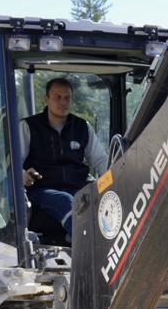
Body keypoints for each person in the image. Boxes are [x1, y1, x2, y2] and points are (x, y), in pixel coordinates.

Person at [22, 77, 106, 241]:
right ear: (46, 99)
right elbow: (13, 164)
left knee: (99, 197)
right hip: (43, 189)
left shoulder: (82, 127)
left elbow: (101, 160)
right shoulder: (28, 127)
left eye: (67, 97)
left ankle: (74, 237)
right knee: (65, 200)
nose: (63, 102)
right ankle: (87, 243)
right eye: (57, 97)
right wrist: (22, 174)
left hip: (78, 186)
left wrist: (116, 179)